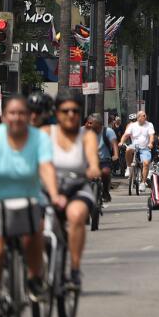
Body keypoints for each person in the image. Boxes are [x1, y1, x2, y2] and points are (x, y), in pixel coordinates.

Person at [0, 95, 65, 317]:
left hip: (26, 202)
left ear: (29, 116)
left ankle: (34, 279)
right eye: (12, 113)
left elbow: (46, 168)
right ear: (4, 116)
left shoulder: (38, 139)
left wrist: (54, 194)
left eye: (22, 113)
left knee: (36, 233)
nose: (17, 118)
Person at [43, 91, 101, 290]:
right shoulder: (45, 133)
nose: (70, 115)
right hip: (47, 189)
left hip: (76, 187)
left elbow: (93, 160)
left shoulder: (87, 136)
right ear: (57, 113)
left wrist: (93, 168)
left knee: (76, 215)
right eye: (65, 110)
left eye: (75, 111)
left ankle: (74, 268)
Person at [85, 113, 117, 202]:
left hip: (104, 160)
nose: (88, 124)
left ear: (98, 123)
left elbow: (114, 143)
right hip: (89, 161)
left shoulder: (108, 131)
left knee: (105, 172)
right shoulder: (84, 131)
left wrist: (115, 155)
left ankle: (106, 192)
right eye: (88, 123)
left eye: (91, 123)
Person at [119, 111, 156, 189]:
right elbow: (125, 135)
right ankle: (129, 167)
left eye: (145, 115)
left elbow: (151, 136)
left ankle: (143, 182)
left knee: (146, 163)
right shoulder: (132, 125)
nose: (145, 117)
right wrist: (121, 142)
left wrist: (151, 143)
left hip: (145, 148)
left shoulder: (149, 125)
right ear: (138, 117)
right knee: (128, 150)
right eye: (143, 116)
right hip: (134, 146)